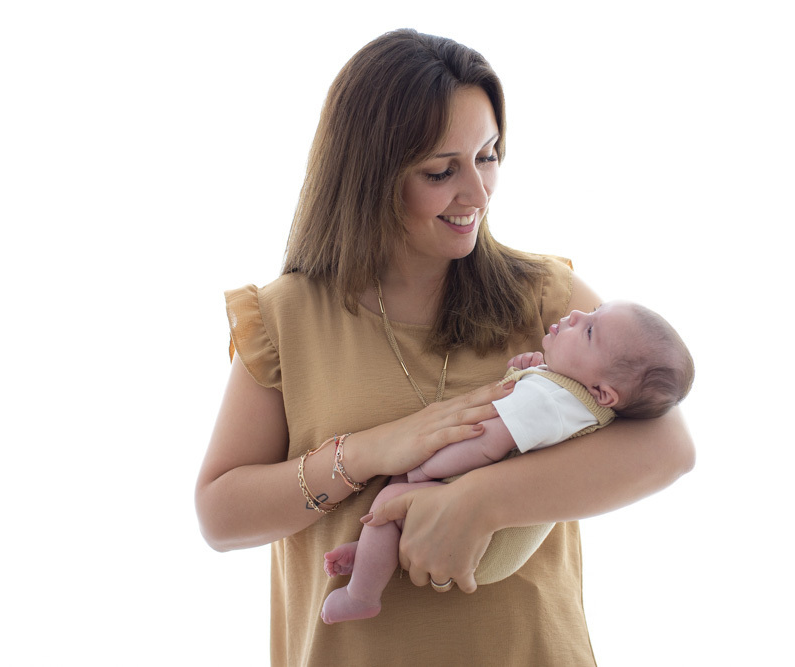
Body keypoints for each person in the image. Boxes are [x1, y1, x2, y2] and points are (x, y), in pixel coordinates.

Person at [195, 29, 695, 666]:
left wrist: (477, 504)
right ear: (370, 177)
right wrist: (372, 450)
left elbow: (669, 447)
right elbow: (220, 515)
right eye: (441, 171)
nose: (478, 195)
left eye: (488, 157)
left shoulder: (548, 300)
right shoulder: (285, 318)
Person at [321, 300, 695, 624]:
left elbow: (491, 443)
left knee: (390, 502)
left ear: (603, 392)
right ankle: (372, 553)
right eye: (593, 311)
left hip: (485, 541)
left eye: (591, 331)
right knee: (394, 500)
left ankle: (362, 595)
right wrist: (531, 369)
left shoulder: (550, 399)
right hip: (494, 534)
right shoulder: (571, 394)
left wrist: (424, 466)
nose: (577, 314)